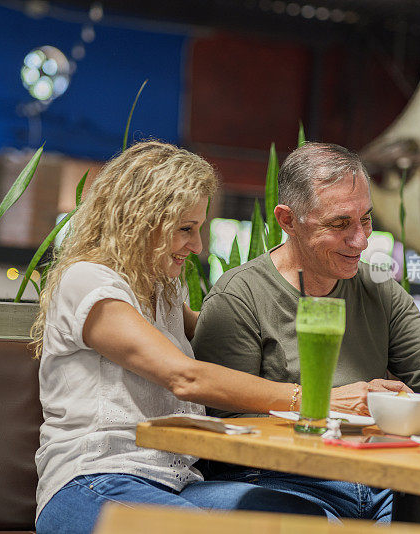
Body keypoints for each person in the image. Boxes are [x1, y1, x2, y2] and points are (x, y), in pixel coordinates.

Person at [191, 142, 420, 521]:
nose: (361, 240)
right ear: (288, 220)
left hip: (379, 484)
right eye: (340, 224)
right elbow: (224, 425)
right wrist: (326, 408)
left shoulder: (378, 288)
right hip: (282, 483)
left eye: (366, 219)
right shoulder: (240, 295)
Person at [31, 141, 325, 534]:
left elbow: (218, 325)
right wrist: (307, 399)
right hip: (92, 482)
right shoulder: (89, 280)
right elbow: (185, 376)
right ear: (139, 219)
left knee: (301, 517)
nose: (198, 246)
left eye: (199, 228)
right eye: (185, 229)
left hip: (176, 483)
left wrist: (285, 316)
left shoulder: (165, 288)